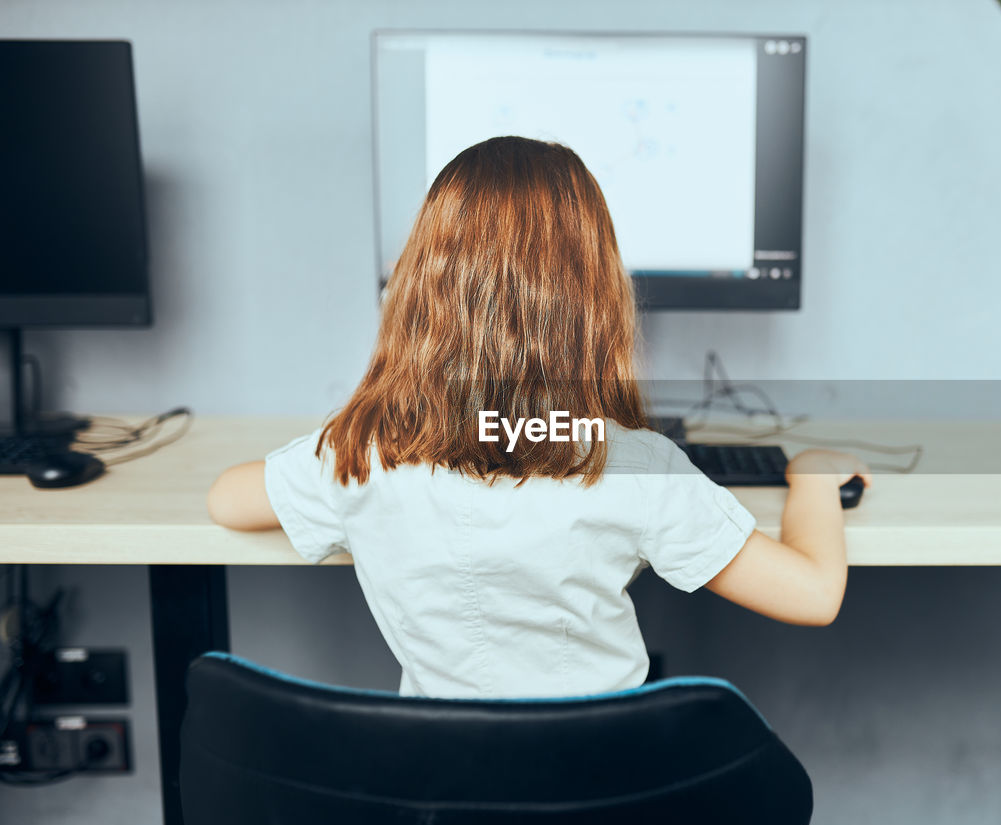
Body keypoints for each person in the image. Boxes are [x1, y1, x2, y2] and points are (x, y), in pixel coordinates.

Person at [207, 136, 870, 699]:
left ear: (421, 290)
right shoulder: (637, 468)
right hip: (595, 802)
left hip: (438, 800)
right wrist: (812, 476)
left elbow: (226, 500)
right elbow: (814, 594)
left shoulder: (359, 455)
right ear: (594, 299)